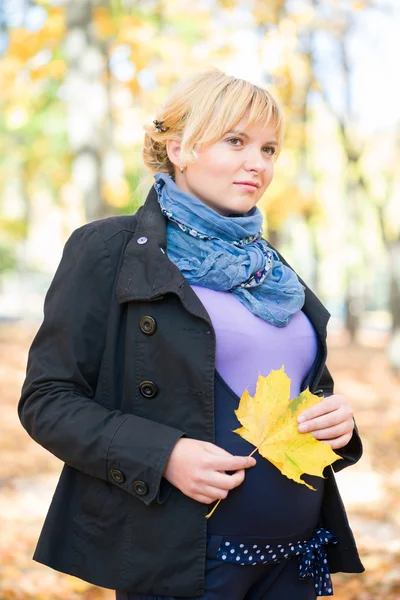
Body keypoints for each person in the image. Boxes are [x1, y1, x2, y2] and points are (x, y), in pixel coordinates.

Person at [18, 68, 364, 600]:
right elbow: (47, 400)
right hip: (186, 564)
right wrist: (164, 454)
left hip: (295, 556)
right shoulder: (110, 249)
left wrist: (337, 420)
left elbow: (296, 390)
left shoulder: (272, 269)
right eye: (236, 141)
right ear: (178, 148)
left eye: (269, 149)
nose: (258, 163)